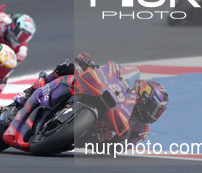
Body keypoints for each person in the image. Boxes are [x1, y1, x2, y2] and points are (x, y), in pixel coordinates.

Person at [9, 52, 169, 149]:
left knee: (98, 139)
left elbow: (119, 149)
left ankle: (58, 134)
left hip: (91, 135)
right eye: (152, 107)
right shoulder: (126, 86)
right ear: (142, 93)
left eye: (158, 112)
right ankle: (31, 90)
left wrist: (107, 145)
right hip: (95, 94)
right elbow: (108, 72)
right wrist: (89, 64)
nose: (153, 113)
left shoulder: (141, 130)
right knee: (70, 68)